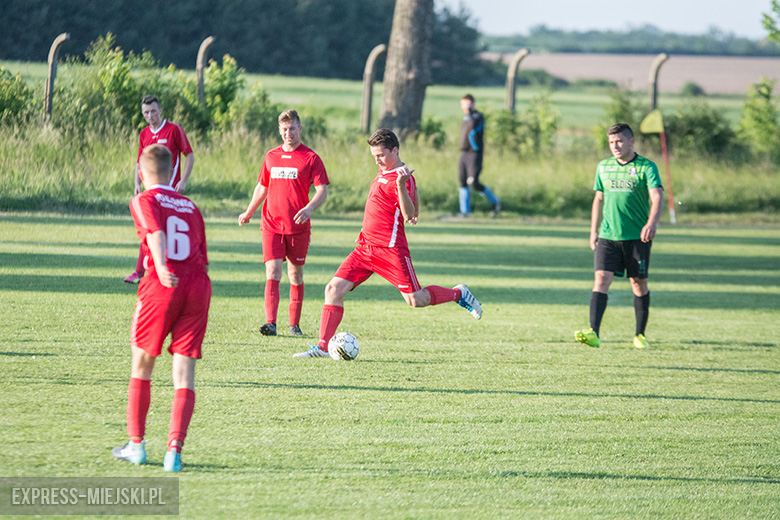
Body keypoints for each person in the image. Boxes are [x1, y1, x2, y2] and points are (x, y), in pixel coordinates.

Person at [294, 128, 482, 359]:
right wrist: (417, 208)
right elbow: (414, 198)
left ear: (395, 150)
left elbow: (407, 212)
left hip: (391, 250)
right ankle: (322, 348)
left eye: (381, 155)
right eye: (374, 156)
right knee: (333, 289)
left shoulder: (402, 178)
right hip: (365, 248)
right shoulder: (385, 170)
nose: (377, 160)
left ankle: (458, 294)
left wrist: (404, 190)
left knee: (416, 300)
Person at [112, 144, 211, 472]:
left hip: (162, 283)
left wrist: (161, 264)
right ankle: (174, 453)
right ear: (172, 173)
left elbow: (155, 232)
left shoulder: (143, 199)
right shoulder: (191, 206)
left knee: (142, 363)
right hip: (198, 286)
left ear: (141, 173)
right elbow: (202, 257)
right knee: (184, 373)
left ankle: (136, 446)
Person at [239, 110, 329, 337]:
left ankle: (294, 325)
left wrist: (309, 208)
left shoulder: (311, 158)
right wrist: (249, 211)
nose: (288, 133)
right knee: (273, 270)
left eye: (292, 129)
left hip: (297, 227)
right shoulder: (271, 156)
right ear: (279, 131)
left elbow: (322, 190)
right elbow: (262, 186)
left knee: (295, 275)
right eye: (284, 129)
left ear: (300, 129)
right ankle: (270, 323)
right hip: (271, 224)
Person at [574, 123, 663, 349]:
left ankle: (639, 335)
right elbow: (598, 199)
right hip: (608, 236)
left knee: (638, 283)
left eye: (620, 141)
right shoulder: (603, 167)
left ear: (631, 141)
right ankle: (594, 332)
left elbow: (657, 197)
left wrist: (652, 223)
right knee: (601, 278)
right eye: (612, 142)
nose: (615, 146)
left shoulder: (646, 167)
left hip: (637, 237)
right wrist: (593, 230)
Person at [124, 95, 194, 284]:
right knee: (152, 228)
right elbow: (140, 162)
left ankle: (160, 270)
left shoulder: (174, 129)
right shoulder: (144, 134)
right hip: (152, 192)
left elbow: (189, 155)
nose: (150, 116)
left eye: (153, 111)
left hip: (170, 191)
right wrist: (137, 183)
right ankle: (142, 271)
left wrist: (184, 180)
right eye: (146, 112)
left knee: (163, 229)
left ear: (160, 111)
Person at [457, 94, 500, 218]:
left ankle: (494, 201)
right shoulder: (465, 118)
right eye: (463, 103)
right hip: (463, 153)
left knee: (473, 182)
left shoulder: (478, 117)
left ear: (473, 104)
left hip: (474, 153)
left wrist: (471, 112)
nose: (465, 106)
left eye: (467, 103)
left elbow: (474, 126)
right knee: (462, 182)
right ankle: (465, 211)